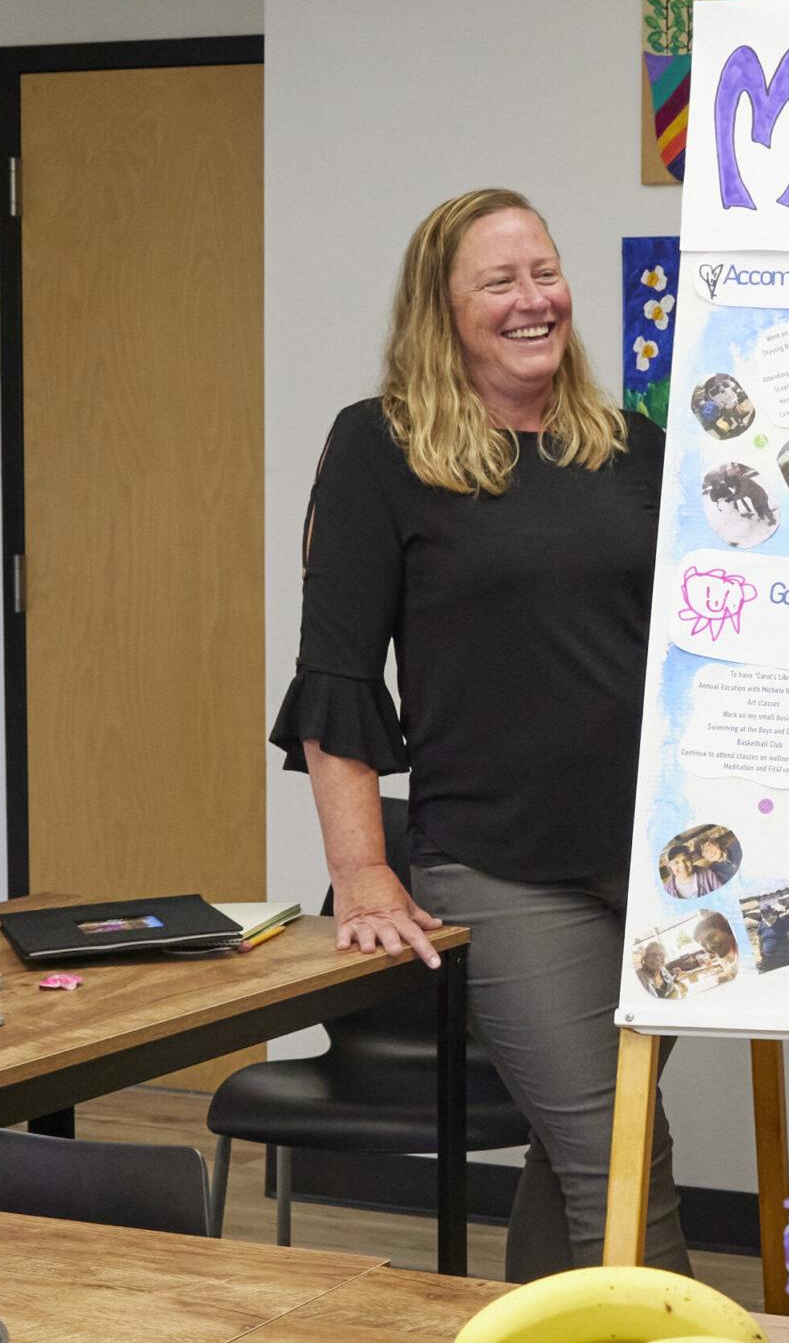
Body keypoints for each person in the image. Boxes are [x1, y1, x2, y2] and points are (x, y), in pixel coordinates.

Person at [269, 187, 688, 1281]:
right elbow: (338, 675)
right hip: (500, 866)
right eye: (497, 281)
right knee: (622, 1166)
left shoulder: (632, 446)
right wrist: (360, 869)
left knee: (575, 1154)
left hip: (663, 867)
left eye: (543, 272)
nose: (531, 299)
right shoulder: (379, 448)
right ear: (441, 309)